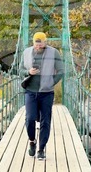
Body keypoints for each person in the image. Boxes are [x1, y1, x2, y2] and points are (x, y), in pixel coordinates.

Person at [21, 31, 63, 160]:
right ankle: (32, 141)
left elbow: (61, 71)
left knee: (46, 121)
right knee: (30, 118)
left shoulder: (54, 52)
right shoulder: (26, 52)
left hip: (46, 93)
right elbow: (20, 70)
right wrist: (28, 71)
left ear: (45, 42)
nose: (38, 46)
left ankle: (41, 149)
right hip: (30, 91)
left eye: (41, 43)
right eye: (36, 43)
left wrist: (51, 82)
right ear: (33, 42)